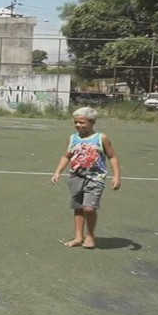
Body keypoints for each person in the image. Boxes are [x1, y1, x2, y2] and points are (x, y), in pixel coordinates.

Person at [51, 106, 122, 249]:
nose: (78, 125)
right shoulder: (73, 138)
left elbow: (112, 156)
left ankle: (90, 235)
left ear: (92, 122)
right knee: (78, 207)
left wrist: (117, 176)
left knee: (89, 208)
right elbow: (67, 156)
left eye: (82, 122)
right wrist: (58, 172)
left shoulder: (101, 138)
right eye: (76, 122)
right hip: (76, 177)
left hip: (95, 178)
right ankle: (78, 237)